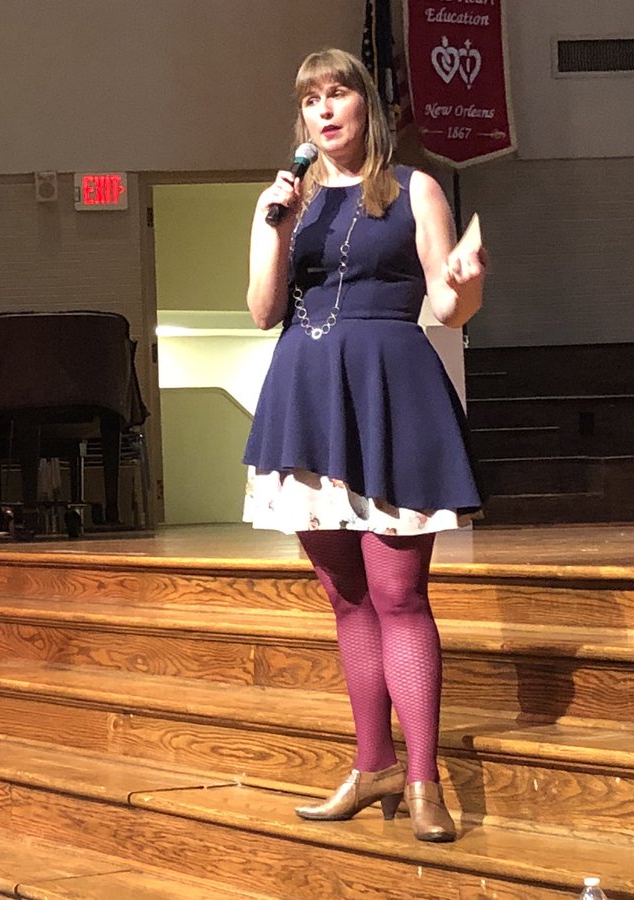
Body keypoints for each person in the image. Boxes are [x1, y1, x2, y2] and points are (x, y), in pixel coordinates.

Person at [241, 48, 486, 843]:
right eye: (310, 99)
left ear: (364, 107)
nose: (324, 108)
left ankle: (422, 781)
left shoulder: (415, 187)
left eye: (337, 92)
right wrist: (274, 224)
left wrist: (467, 280)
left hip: (391, 395)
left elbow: (447, 307)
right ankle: (372, 761)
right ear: (302, 119)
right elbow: (262, 308)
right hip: (306, 398)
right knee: (346, 597)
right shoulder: (284, 202)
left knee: (399, 595)